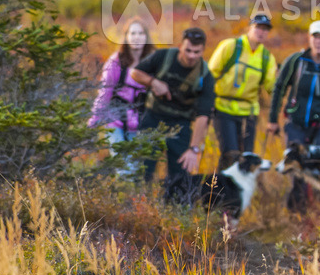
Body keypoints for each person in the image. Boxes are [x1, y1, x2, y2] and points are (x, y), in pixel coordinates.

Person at [129, 27, 215, 188]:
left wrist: (194, 149)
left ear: (203, 50)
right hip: (153, 118)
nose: (192, 56)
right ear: (180, 46)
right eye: (188, 50)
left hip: (180, 125)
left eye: (197, 52)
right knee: (143, 170)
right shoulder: (164, 56)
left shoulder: (205, 76)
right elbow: (135, 72)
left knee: (179, 177)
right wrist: (153, 82)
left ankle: (174, 209)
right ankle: (137, 206)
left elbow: (203, 115)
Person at [267, 20, 320, 149]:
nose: (318, 41)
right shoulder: (296, 60)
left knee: (319, 163)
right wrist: (273, 120)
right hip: (295, 123)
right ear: (309, 38)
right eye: (315, 37)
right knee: (294, 164)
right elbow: (279, 88)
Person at [88, 19, 155, 179]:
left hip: (140, 122)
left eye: (140, 33)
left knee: (136, 166)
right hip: (115, 119)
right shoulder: (116, 62)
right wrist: (95, 119)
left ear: (146, 37)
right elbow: (105, 92)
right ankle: (123, 199)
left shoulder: (153, 62)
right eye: (133, 33)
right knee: (124, 166)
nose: (137, 37)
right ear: (126, 37)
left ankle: (130, 197)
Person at [208, 13, 278, 157]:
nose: (262, 32)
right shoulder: (230, 46)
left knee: (246, 157)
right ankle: (221, 180)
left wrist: (281, 78)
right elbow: (210, 75)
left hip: (249, 113)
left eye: (266, 29)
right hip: (223, 109)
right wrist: (206, 103)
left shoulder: (266, 57)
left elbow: (271, 88)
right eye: (258, 27)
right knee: (230, 154)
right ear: (249, 27)